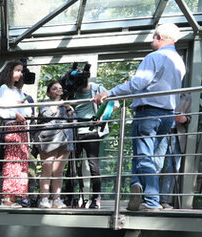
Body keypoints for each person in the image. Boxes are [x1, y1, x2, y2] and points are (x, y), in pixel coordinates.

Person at [94, 23, 186, 212]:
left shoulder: (155, 56)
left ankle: (151, 201)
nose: (152, 41)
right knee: (147, 156)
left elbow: (139, 83)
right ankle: (137, 187)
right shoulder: (178, 60)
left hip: (148, 112)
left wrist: (109, 93)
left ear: (159, 37)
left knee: (143, 156)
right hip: (167, 114)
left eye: (153, 37)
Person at [65, 70, 108, 209]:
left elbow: (113, 104)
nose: (81, 88)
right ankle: (71, 199)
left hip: (92, 132)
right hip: (75, 132)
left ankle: (96, 199)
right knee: (72, 166)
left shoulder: (98, 89)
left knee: (93, 165)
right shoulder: (73, 91)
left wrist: (102, 118)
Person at [0, 60, 30, 208]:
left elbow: (28, 110)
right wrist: (15, 113)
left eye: (21, 71)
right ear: (9, 71)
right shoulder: (4, 88)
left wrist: (23, 108)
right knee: (12, 161)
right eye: (17, 70)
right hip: (12, 127)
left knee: (21, 162)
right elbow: (1, 110)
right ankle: (7, 198)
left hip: (23, 128)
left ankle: (15, 197)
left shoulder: (18, 90)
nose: (20, 74)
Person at [36, 80, 74, 209]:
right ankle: (44, 199)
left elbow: (73, 119)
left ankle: (57, 199)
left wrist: (67, 106)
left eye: (60, 88)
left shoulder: (66, 104)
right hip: (49, 140)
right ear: (48, 92)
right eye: (54, 88)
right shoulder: (44, 103)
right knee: (47, 170)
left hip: (65, 139)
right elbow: (47, 115)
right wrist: (57, 102)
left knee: (59, 171)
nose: (58, 90)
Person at [159, 93, 190, 209]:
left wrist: (184, 118)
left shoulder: (187, 97)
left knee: (173, 168)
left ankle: (164, 200)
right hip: (162, 132)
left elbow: (189, 118)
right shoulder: (164, 91)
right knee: (157, 164)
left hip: (177, 135)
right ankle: (150, 198)